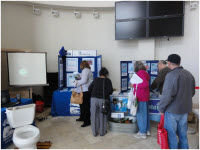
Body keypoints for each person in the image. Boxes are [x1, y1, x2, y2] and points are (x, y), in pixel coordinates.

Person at [159, 54, 195, 149]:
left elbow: (167, 95)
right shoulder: (189, 74)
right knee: (183, 136)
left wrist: (161, 109)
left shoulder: (171, 75)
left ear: (169, 63)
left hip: (172, 111)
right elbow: (192, 92)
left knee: (172, 137)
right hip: (185, 110)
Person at [88, 67, 113, 137]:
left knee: (94, 116)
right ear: (106, 74)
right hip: (103, 100)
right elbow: (110, 91)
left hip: (93, 99)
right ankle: (102, 132)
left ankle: (94, 132)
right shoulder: (108, 81)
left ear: (100, 74)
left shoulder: (95, 79)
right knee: (103, 116)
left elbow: (89, 88)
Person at [133, 61, 150, 139]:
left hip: (141, 97)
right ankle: (146, 130)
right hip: (144, 96)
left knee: (141, 115)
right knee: (145, 114)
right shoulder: (145, 73)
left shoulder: (140, 73)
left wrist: (134, 84)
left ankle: (142, 132)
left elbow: (145, 84)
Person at [75, 61, 93, 127]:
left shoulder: (85, 70)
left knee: (85, 107)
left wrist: (77, 82)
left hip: (85, 91)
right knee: (83, 106)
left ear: (82, 65)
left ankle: (87, 122)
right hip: (86, 90)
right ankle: (82, 117)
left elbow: (84, 81)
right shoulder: (88, 70)